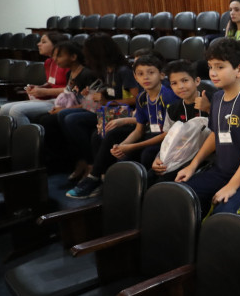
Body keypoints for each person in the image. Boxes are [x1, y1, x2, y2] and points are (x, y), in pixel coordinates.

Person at [176, 38, 240, 216]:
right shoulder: (216, 98)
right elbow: (215, 135)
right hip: (223, 169)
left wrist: (232, 186)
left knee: (225, 211)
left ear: (239, 70)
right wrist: (193, 165)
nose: (213, 73)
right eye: (210, 67)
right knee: (182, 195)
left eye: (220, 67)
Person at [67, 54, 177, 198]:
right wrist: (123, 146)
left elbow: (169, 134)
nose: (146, 77)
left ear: (162, 75)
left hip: (167, 139)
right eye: (141, 74)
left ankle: (141, 196)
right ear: (135, 77)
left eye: (151, 73)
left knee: (144, 153)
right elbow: (139, 130)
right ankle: (101, 182)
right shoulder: (142, 97)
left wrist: (131, 146)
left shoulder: (168, 97)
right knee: (118, 149)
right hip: (151, 134)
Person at [59, 34, 139, 183]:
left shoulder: (123, 71)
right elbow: (110, 91)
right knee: (63, 116)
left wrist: (109, 100)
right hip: (107, 110)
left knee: (72, 120)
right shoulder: (107, 70)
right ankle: (83, 160)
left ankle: (91, 164)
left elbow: (136, 98)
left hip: (120, 113)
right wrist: (95, 93)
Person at [39, 41, 97, 170]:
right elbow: (68, 96)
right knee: (44, 118)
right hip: (75, 108)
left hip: (90, 110)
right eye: (54, 56)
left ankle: (86, 161)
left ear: (73, 57)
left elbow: (90, 105)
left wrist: (64, 109)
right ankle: (69, 161)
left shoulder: (87, 74)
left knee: (61, 118)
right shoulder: (68, 74)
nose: (55, 59)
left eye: (59, 55)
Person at [150, 60, 210, 183]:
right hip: (179, 155)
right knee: (150, 176)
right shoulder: (173, 109)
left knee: (164, 181)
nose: (180, 86)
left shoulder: (211, 101)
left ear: (197, 81)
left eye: (185, 81)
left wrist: (209, 109)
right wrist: (158, 158)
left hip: (204, 156)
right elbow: (169, 139)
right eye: (174, 83)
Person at [0, 31, 69, 125]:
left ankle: (30, 138)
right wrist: (39, 87)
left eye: (44, 42)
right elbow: (52, 83)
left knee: (16, 111)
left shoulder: (66, 63)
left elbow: (72, 90)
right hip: (49, 98)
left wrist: (44, 92)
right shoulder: (48, 62)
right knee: (4, 109)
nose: (38, 44)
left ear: (56, 45)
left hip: (62, 101)